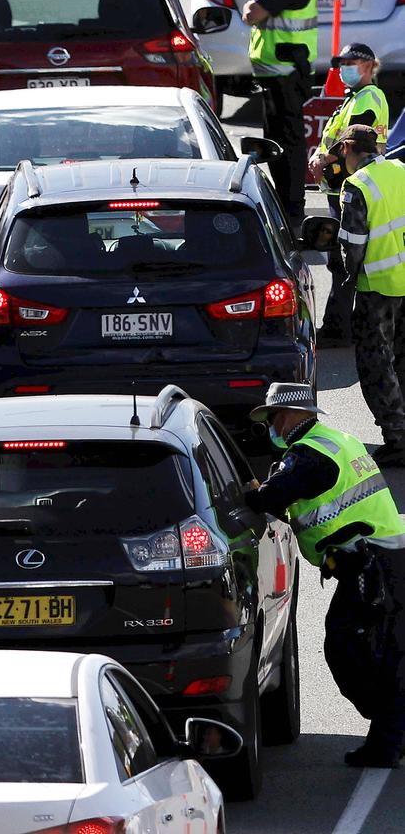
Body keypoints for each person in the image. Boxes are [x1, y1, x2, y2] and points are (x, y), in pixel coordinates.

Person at [245, 381, 405, 768]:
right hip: (382, 561)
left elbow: (268, 498)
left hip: (371, 565)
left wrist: (251, 491)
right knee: (383, 654)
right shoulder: (335, 440)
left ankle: (390, 732)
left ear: (295, 415)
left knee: (349, 649)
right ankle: (388, 738)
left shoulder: (311, 455)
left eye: (276, 418)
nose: (274, 427)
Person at [309, 44, 389, 347]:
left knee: (343, 261)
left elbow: (353, 138)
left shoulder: (367, 98)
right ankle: (341, 325)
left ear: (369, 65)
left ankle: (337, 329)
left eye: (351, 62)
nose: (344, 68)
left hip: (353, 185)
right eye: (341, 63)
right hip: (345, 185)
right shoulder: (355, 97)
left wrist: (323, 160)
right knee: (340, 260)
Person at [336, 124, 405, 466]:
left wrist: (347, 276)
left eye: (341, 152)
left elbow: (353, 245)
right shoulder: (400, 169)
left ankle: (397, 438)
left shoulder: (357, 186)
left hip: (377, 288)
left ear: (349, 147)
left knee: (377, 365)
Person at [242, 0, 318, 226]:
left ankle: (292, 210)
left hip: (286, 75)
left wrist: (251, 6)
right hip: (278, 75)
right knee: (278, 144)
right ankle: (287, 208)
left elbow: (253, 14)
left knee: (287, 146)